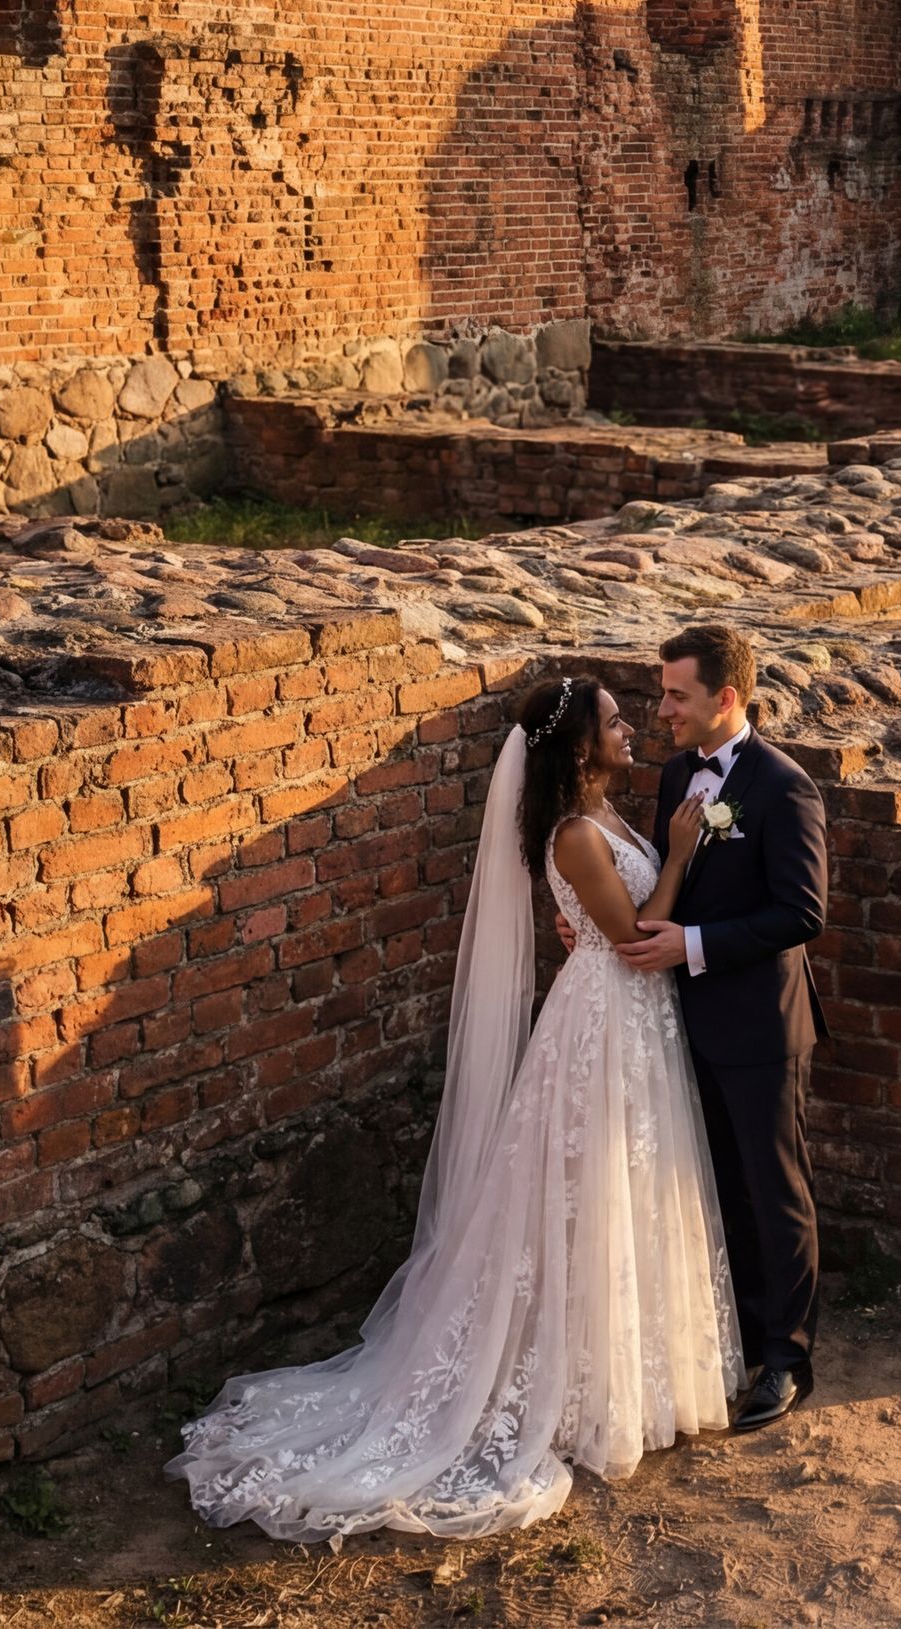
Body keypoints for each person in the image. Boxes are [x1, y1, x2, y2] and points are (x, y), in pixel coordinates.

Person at [169, 676, 745, 1541]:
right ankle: (564, 1385)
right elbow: (629, 941)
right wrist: (677, 855)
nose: (632, 728)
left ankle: (633, 1375)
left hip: (632, 1024)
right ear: (580, 746)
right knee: (585, 1193)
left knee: (623, 1190)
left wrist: (657, 858)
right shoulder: (576, 833)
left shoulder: (607, 816)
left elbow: (602, 924)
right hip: (603, 1020)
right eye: (616, 721)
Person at [612, 624, 829, 1434]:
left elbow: (802, 912)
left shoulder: (784, 787)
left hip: (763, 1025)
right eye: (662, 691)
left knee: (776, 1191)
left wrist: (691, 945)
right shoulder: (677, 774)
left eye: (676, 694)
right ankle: (733, 1334)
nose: (660, 707)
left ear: (724, 698)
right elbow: (670, 879)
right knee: (715, 1185)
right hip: (684, 1020)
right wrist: (615, 929)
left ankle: (787, 1357)